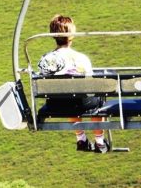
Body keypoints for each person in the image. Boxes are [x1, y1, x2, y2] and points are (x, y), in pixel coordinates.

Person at [38, 14, 110, 153]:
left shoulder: (45, 60)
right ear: (71, 35)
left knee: (67, 94)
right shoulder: (81, 58)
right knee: (95, 97)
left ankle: (81, 138)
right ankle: (100, 141)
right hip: (80, 103)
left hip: (56, 103)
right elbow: (90, 83)